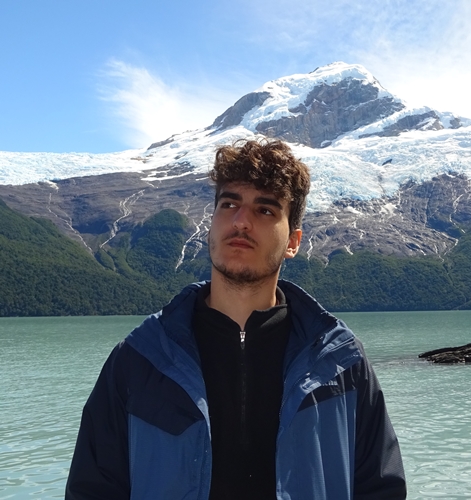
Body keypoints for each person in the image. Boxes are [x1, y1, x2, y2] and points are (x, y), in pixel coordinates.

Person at [66, 139, 406, 500]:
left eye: (265, 210)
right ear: (211, 225)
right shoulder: (140, 359)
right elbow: (92, 491)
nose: (241, 221)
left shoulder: (341, 364)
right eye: (229, 204)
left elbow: (380, 489)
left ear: (293, 242)